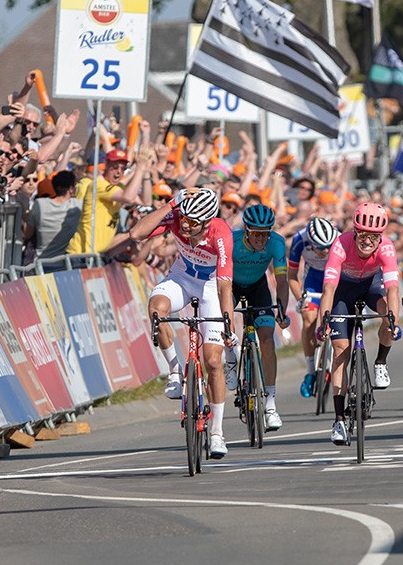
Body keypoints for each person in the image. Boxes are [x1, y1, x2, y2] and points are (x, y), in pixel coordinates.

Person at [129, 188, 235, 459]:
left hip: (211, 285)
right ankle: (175, 371)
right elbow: (136, 234)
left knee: (212, 361)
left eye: (192, 222)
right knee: (157, 310)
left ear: (208, 221)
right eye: (183, 219)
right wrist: (171, 205)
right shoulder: (178, 216)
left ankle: (217, 433)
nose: (185, 225)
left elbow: (224, 285)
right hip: (182, 276)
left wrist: (228, 323)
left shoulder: (220, 233)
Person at [316, 203, 401, 445]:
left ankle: (381, 361)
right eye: (363, 235)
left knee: (387, 314)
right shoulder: (341, 245)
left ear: (380, 237)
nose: (367, 241)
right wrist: (324, 321)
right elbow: (329, 288)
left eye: (373, 237)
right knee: (341, 349)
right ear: (355, 232)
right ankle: (339, 420)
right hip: (344, 292)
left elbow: (393, 288)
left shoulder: (386, 247)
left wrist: (392, 320)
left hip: (372, 287)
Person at [224, 204, 291, 432]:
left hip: (258, 287)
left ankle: (270, 405)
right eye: (256, 233)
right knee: (225, 325)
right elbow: (220, 280)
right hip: (230, 286)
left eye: (266, 232)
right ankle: (231, 361)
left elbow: (282, 280)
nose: (262, 238)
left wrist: (281, 309)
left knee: (267, 338)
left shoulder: (276, 243)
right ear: (247, 230)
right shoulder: (232, 242)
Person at [288, 216, 339, 397]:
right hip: (313, 282)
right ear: (310, 241)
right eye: (320, 248)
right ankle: (310, 371)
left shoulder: (339, 241)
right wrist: (300, 298)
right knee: (309, 319)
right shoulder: (298, 240)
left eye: (328, 247)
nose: (325, 251)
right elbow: (292, 275)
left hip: (335, 281)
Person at [67, 148, 151, 255]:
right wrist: (139, 168)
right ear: (106, 165)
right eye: (115, 167)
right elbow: (129, 197)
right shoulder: (98, 184)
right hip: (81, 253)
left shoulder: (117, 186)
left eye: (123, 168)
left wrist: (146, 172)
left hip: (97, 254)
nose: (119, 171)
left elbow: (146, 201)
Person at [23, 170, 82, 263]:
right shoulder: (77, 205)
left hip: (41, 264)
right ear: (71, 189)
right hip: (67, 266)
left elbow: (27, 233)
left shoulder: (40, 204)